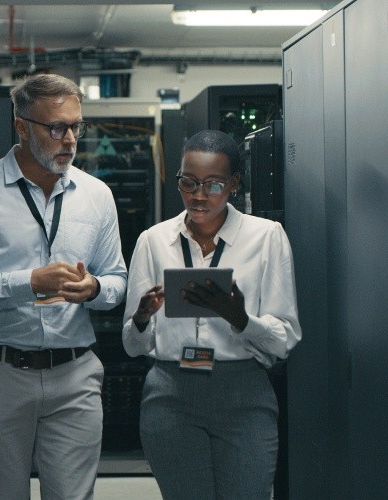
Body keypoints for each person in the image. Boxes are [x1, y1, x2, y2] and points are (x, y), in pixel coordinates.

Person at [0, 73, 127, 500]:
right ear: (21, 126)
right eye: (56, 127)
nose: (70, 139)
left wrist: (94, 288)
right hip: (0, 374)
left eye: (76, 126)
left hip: (75, 375)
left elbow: (118, 281)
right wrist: (28, 283)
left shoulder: (97, 195)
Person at [121, 129, 301, 499]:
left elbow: (284, 340)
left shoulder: (267, 237)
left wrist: (240, 318)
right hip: (171, 392)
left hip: (243, 394)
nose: (199, 195)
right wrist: (141, 318)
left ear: (235, 183)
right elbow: (132, 346)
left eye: (214, 185)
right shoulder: (154, 241)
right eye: (188, 183)